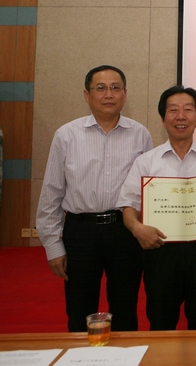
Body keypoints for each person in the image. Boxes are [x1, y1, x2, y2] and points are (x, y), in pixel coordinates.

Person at [36, 65, 153, 332]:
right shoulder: (66, 135)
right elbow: (51, 193)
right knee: (79, 308)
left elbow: (148, 190)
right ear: (86, 95)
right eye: (100, 88)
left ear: (125, 94)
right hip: (80, 231)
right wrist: (53, 246)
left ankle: (125, 354)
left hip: (124, 231)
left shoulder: (140, 134)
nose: (108, 94)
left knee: (125, 306)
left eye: (115, 88)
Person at [117, 85, 196, 330]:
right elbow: (128, 207)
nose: (181, 116)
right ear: (163, 118)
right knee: (161, 322)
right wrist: (138, 229)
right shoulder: (146, 161)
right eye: (173, 110)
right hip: (161, 251)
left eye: (188, 110)